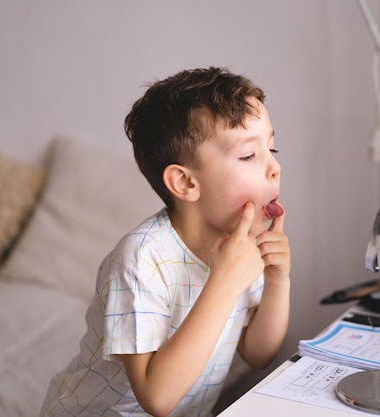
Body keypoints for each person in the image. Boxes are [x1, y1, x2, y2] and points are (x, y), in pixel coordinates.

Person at [40, 67, 291, 417]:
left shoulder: (241, 247)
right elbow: (157, 398)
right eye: (249, 155)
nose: (275, 167)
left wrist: (278, 282)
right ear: (185, 183)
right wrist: (225, 282)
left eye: (272, 147)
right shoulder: (140, 260)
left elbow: (258, 354)